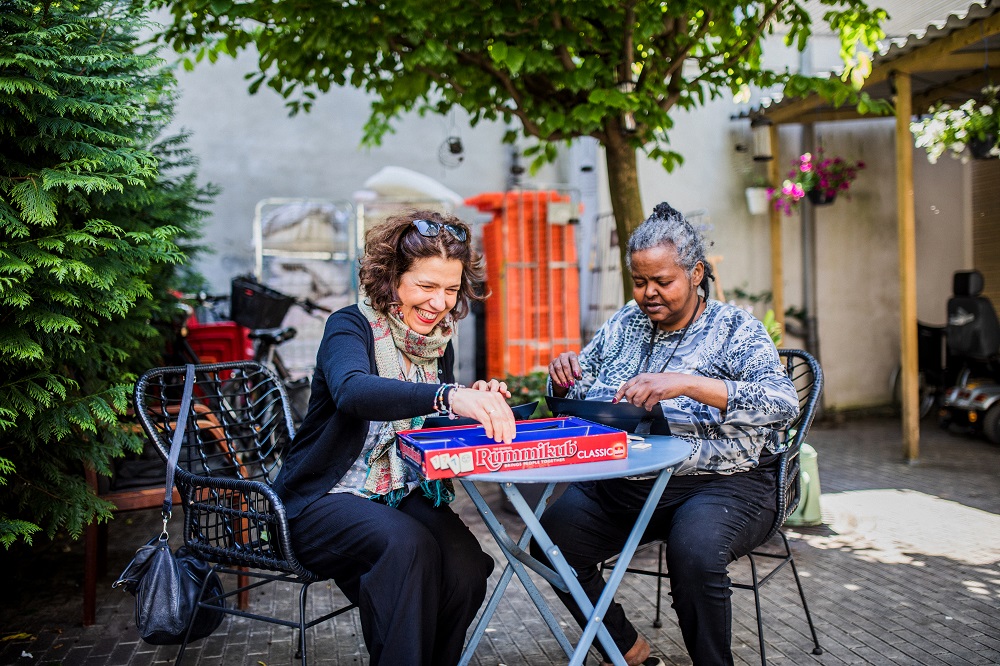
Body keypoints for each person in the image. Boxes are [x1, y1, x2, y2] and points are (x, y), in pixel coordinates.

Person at [534, 202, 799, 666]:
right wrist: (563, 379)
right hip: (628, 478)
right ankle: (624, 647)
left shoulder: (735, 329)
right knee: (550, 543)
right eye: (639, 282)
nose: (648, 293)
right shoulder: (626, 322)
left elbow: (782, 404)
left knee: (694, 551)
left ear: (695, 274)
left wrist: (688, 383)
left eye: (662, 281)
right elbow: (587, 387)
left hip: (722, 482)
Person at [273, 210, 515, 666]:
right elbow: (353, 392)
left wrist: (474, 402)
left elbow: (428, 423)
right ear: (392, 278)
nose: (440, 303)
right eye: (426, 286)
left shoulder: (437, 342)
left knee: (466, 566)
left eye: (450, 289)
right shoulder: (349, 326)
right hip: (320, 498)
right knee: (407, 547)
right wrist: (446, 395)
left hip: (395, 492)